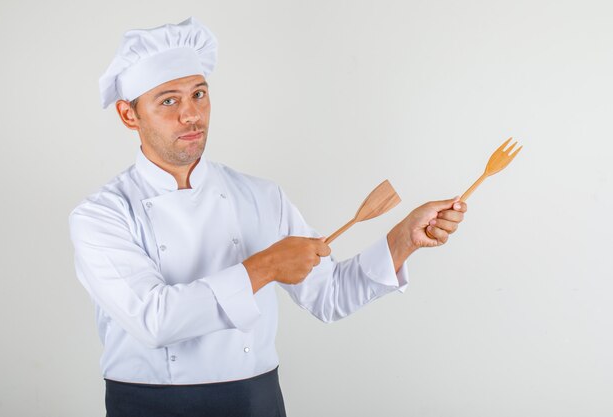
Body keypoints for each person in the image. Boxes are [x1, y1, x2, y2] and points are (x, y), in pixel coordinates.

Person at [69, 17, 467, 417]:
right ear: (128, 114)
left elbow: (328, 296)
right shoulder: (102, 215)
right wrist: (266, 266)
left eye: (199, 94)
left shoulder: (261, 196)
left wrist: (403, 240)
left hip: (255, 400)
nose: (191, 115)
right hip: (150, 406)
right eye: (169, 100)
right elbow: (155, 320)